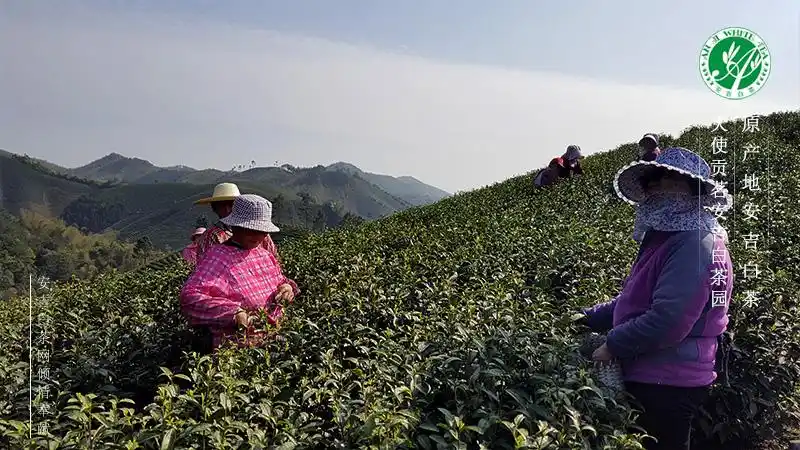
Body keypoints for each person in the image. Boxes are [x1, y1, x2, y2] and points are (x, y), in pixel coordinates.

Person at [577, 147, 734, 450]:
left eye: (670, 182)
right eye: (654, 182)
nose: (658, 189)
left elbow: (669, 320)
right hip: (656, 372)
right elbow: (635, 301)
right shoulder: (668, 237)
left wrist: (612, 344)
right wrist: (588, 317)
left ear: (694, 191)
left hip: (669, 380)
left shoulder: (695, 244)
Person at [180, 194, 300, 350]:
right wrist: (234, 313)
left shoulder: (264, 254)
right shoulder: (218, 257)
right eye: (252, 229)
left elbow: (280, 280)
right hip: (239, 351)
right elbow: (189, 297)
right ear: (235, 226)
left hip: (274, 340)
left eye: (263, 231)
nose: (260, 236)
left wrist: (286, 288)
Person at [194, 182, 280, 264]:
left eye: (231, 205)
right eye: (221, 205)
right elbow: (207, 267)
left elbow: (274, 259)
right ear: (214, 208)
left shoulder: (260, 231)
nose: (227, 210)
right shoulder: (212, 236)